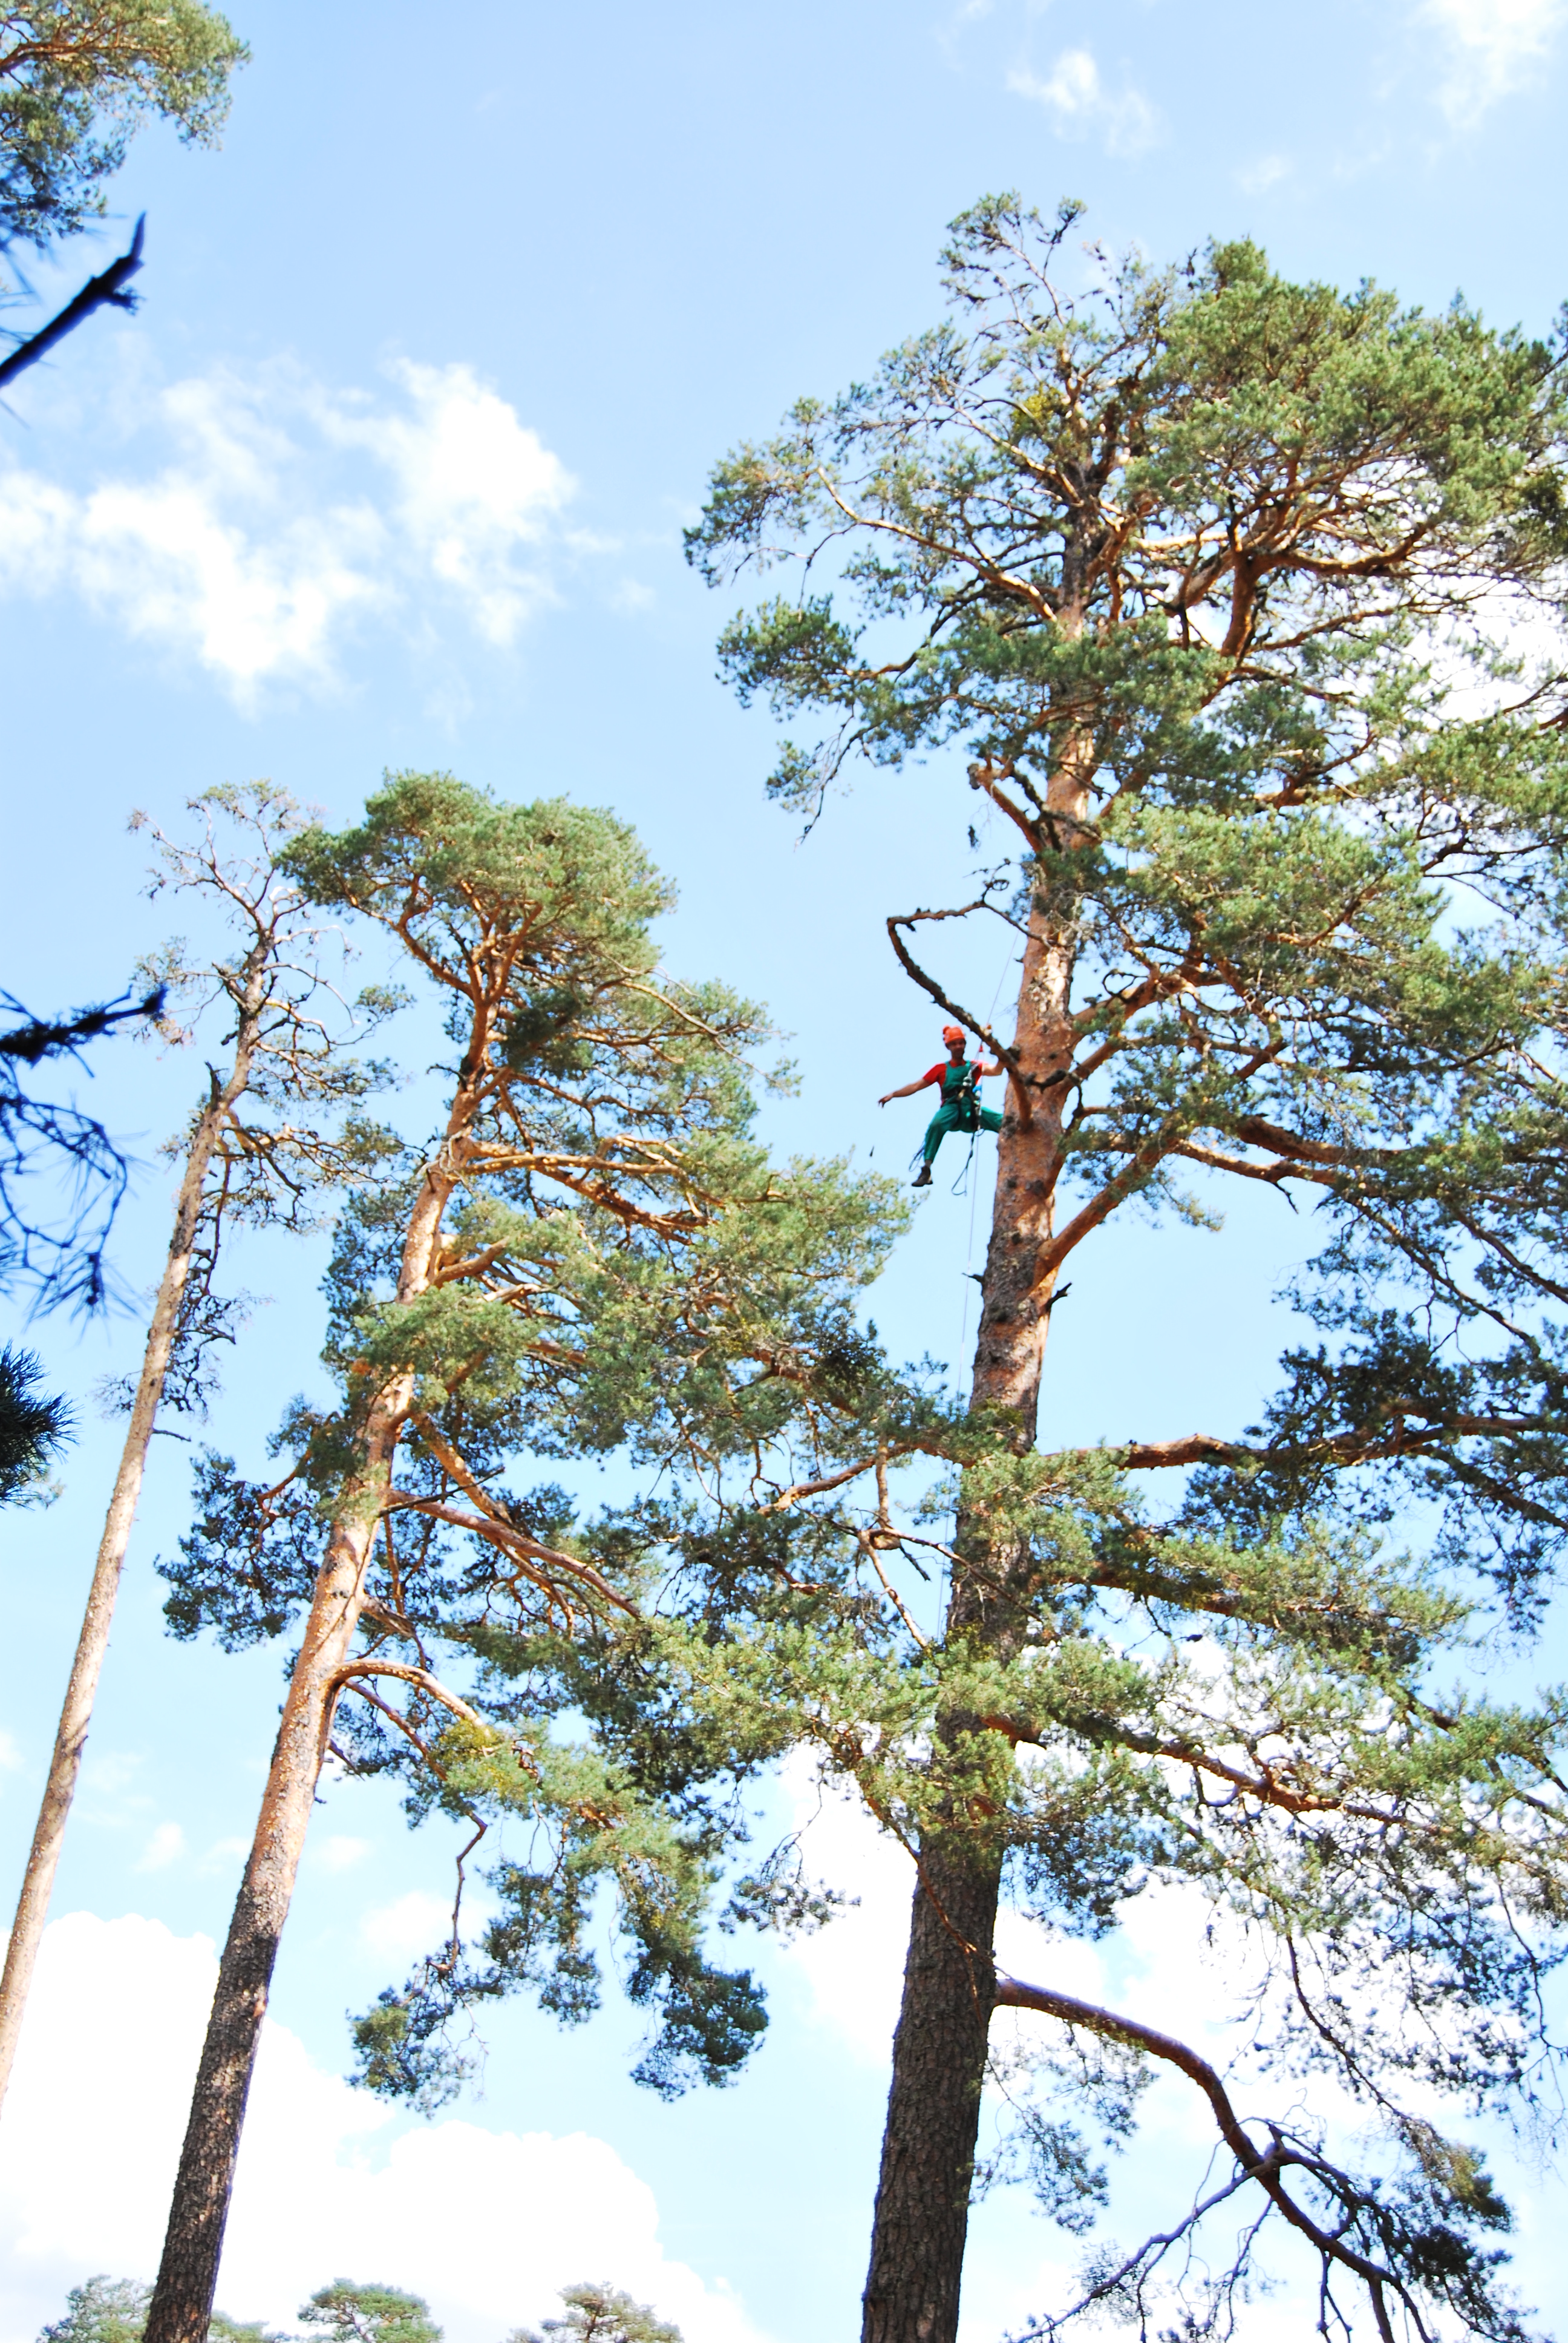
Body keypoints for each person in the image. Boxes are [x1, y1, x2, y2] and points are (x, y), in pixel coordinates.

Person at [878, 1024, 1004, 1187]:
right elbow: (916, 1086)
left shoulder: (974, 1066)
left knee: (1004, 1121)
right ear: (948, 1046)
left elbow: (997, 1071)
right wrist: (894, 1094)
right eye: (954, 1044)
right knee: (936, 1125)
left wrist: (1000, 1053)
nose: (958, 1046)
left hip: (971, 1110)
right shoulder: (941, 1070)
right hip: (951, 1109)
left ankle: (1018, 1135)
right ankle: (927, 1170)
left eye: (961, 1043)